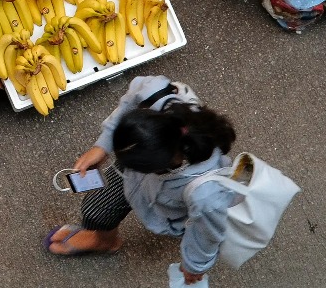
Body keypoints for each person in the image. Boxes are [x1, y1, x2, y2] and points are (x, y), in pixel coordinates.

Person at [45, 75, 238, 285]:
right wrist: (102, 146)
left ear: (159, 166)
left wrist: (194, 266)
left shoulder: (206, 195)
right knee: (95, 212)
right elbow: (133, 96)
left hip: (170, 207)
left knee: (193, 227)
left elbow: (207, 233)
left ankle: (103, 241)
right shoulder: (157, 96)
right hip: (139, 179)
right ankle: (105, 241)